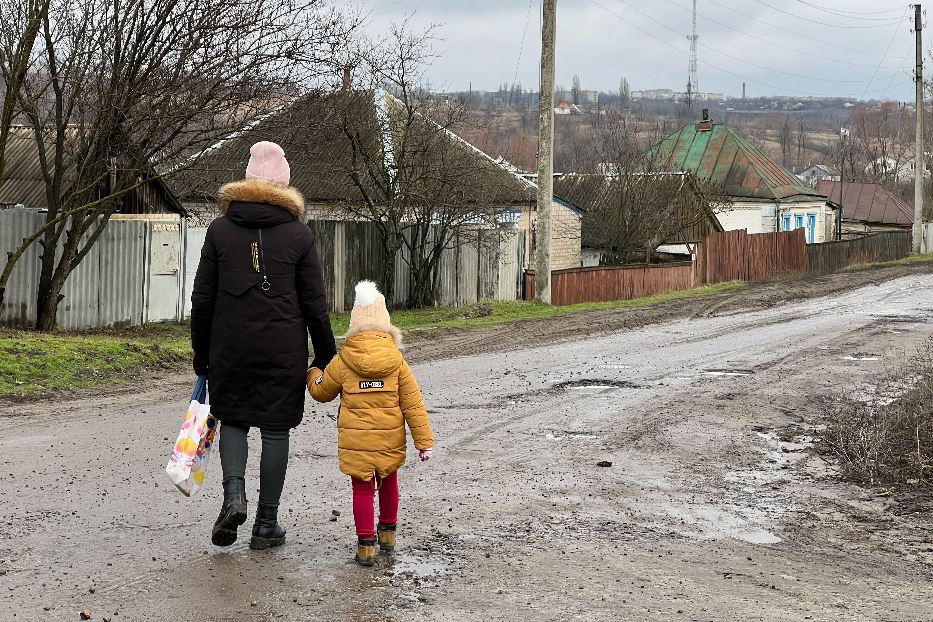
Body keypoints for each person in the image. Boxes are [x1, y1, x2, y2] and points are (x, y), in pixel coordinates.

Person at [190, 141, 337, 550]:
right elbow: (315, 304)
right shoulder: (299, 235)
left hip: (229, 347)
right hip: (282, 350)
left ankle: (233, 496)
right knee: (275, 430)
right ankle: (266, 524)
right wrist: (326, 355)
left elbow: (202, 299)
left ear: (246, 181)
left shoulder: (219, 230)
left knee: (233, 418)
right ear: (285, 185)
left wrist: (202, 355)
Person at [307, 280, 435, 566]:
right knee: (389, 480)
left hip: (357, 444)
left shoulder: (342, 362)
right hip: (389, 440)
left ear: (354, 322)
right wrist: (423, 443)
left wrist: (312, 372)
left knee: (362, 488)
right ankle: (388, 535)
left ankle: (366, 545)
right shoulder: (397, 362)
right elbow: (413, 404)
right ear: (386, 323)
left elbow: (321, 391)